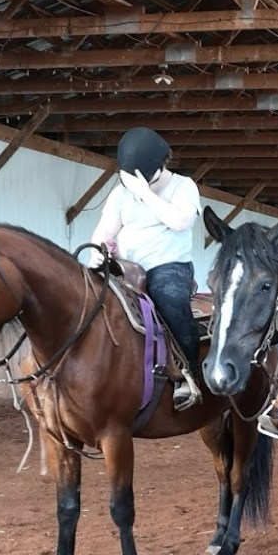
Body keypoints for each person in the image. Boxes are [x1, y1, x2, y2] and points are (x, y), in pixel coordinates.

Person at [88, 126, 204, 410]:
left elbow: (180, 222)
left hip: (169, 267)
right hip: (125, 268)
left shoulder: (183, 186)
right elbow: (105, 230)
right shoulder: (120, 193)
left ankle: (188, 373)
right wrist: (97, 250)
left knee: (170, 300)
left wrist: (146, 194)